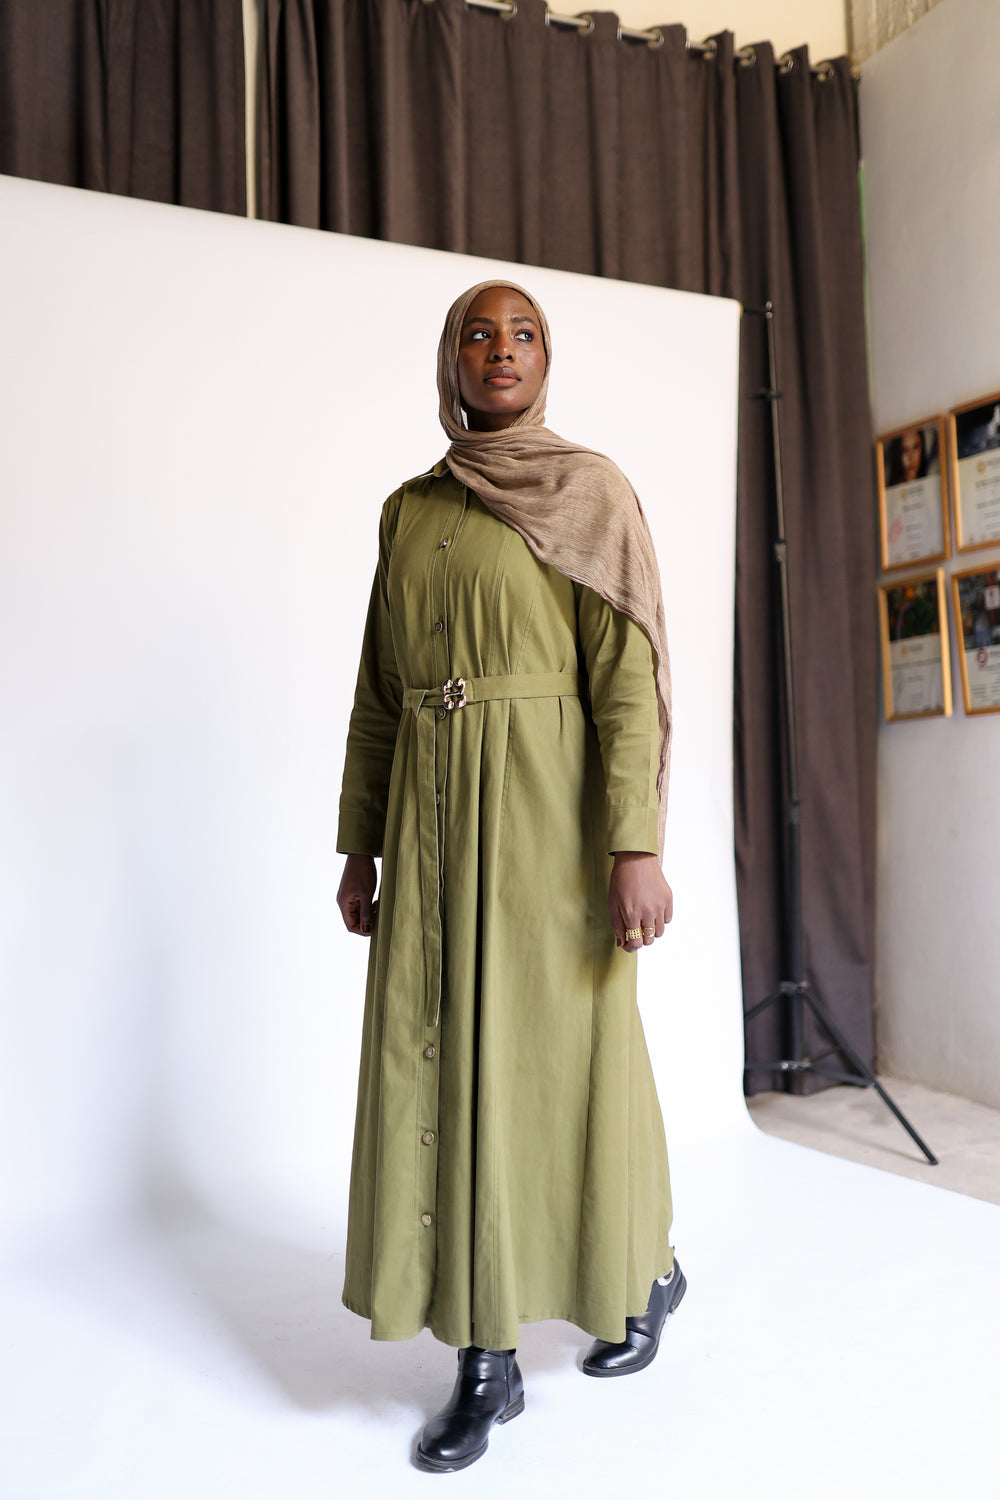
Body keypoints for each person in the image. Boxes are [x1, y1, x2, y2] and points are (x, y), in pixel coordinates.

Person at [335, 280, 685, 1473]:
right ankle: (484, 1358)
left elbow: (628, 680)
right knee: (444, 1060)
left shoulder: (591, 492)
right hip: (431, 821)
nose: (501, 349)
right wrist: (361, 842)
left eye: (522, 333)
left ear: (546, 359)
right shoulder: (410, 510)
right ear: (452, 360)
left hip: (548, 819)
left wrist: (634, 844)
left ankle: (643, 1265)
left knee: (579, 1049)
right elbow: (379, 692)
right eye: (478, 334)